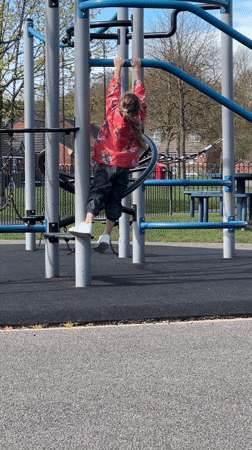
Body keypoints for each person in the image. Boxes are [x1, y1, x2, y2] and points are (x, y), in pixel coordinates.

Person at [69, 57, 147, 253]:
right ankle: (107, 234)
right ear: (137, 109)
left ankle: (88, 222)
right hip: (125, 166)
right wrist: (137, 70)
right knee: (115, 199)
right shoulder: (139, 117)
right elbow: (141, 97)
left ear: (120, 105)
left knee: (99, 191)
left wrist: (117, 69)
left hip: (108, 161)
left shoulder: (114, 113)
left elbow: (113, 91)